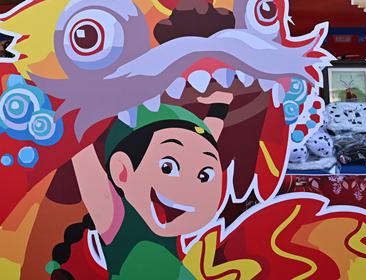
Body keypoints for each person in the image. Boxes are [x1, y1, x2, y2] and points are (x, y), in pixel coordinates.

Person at [47, 93, 232, 279]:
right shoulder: (116, 218)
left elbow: (199, 148)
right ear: (122, 171)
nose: (188, 189)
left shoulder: (168, 219)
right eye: (167, 167)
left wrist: (219, 108)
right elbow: (81, 150)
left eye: (204, 176)